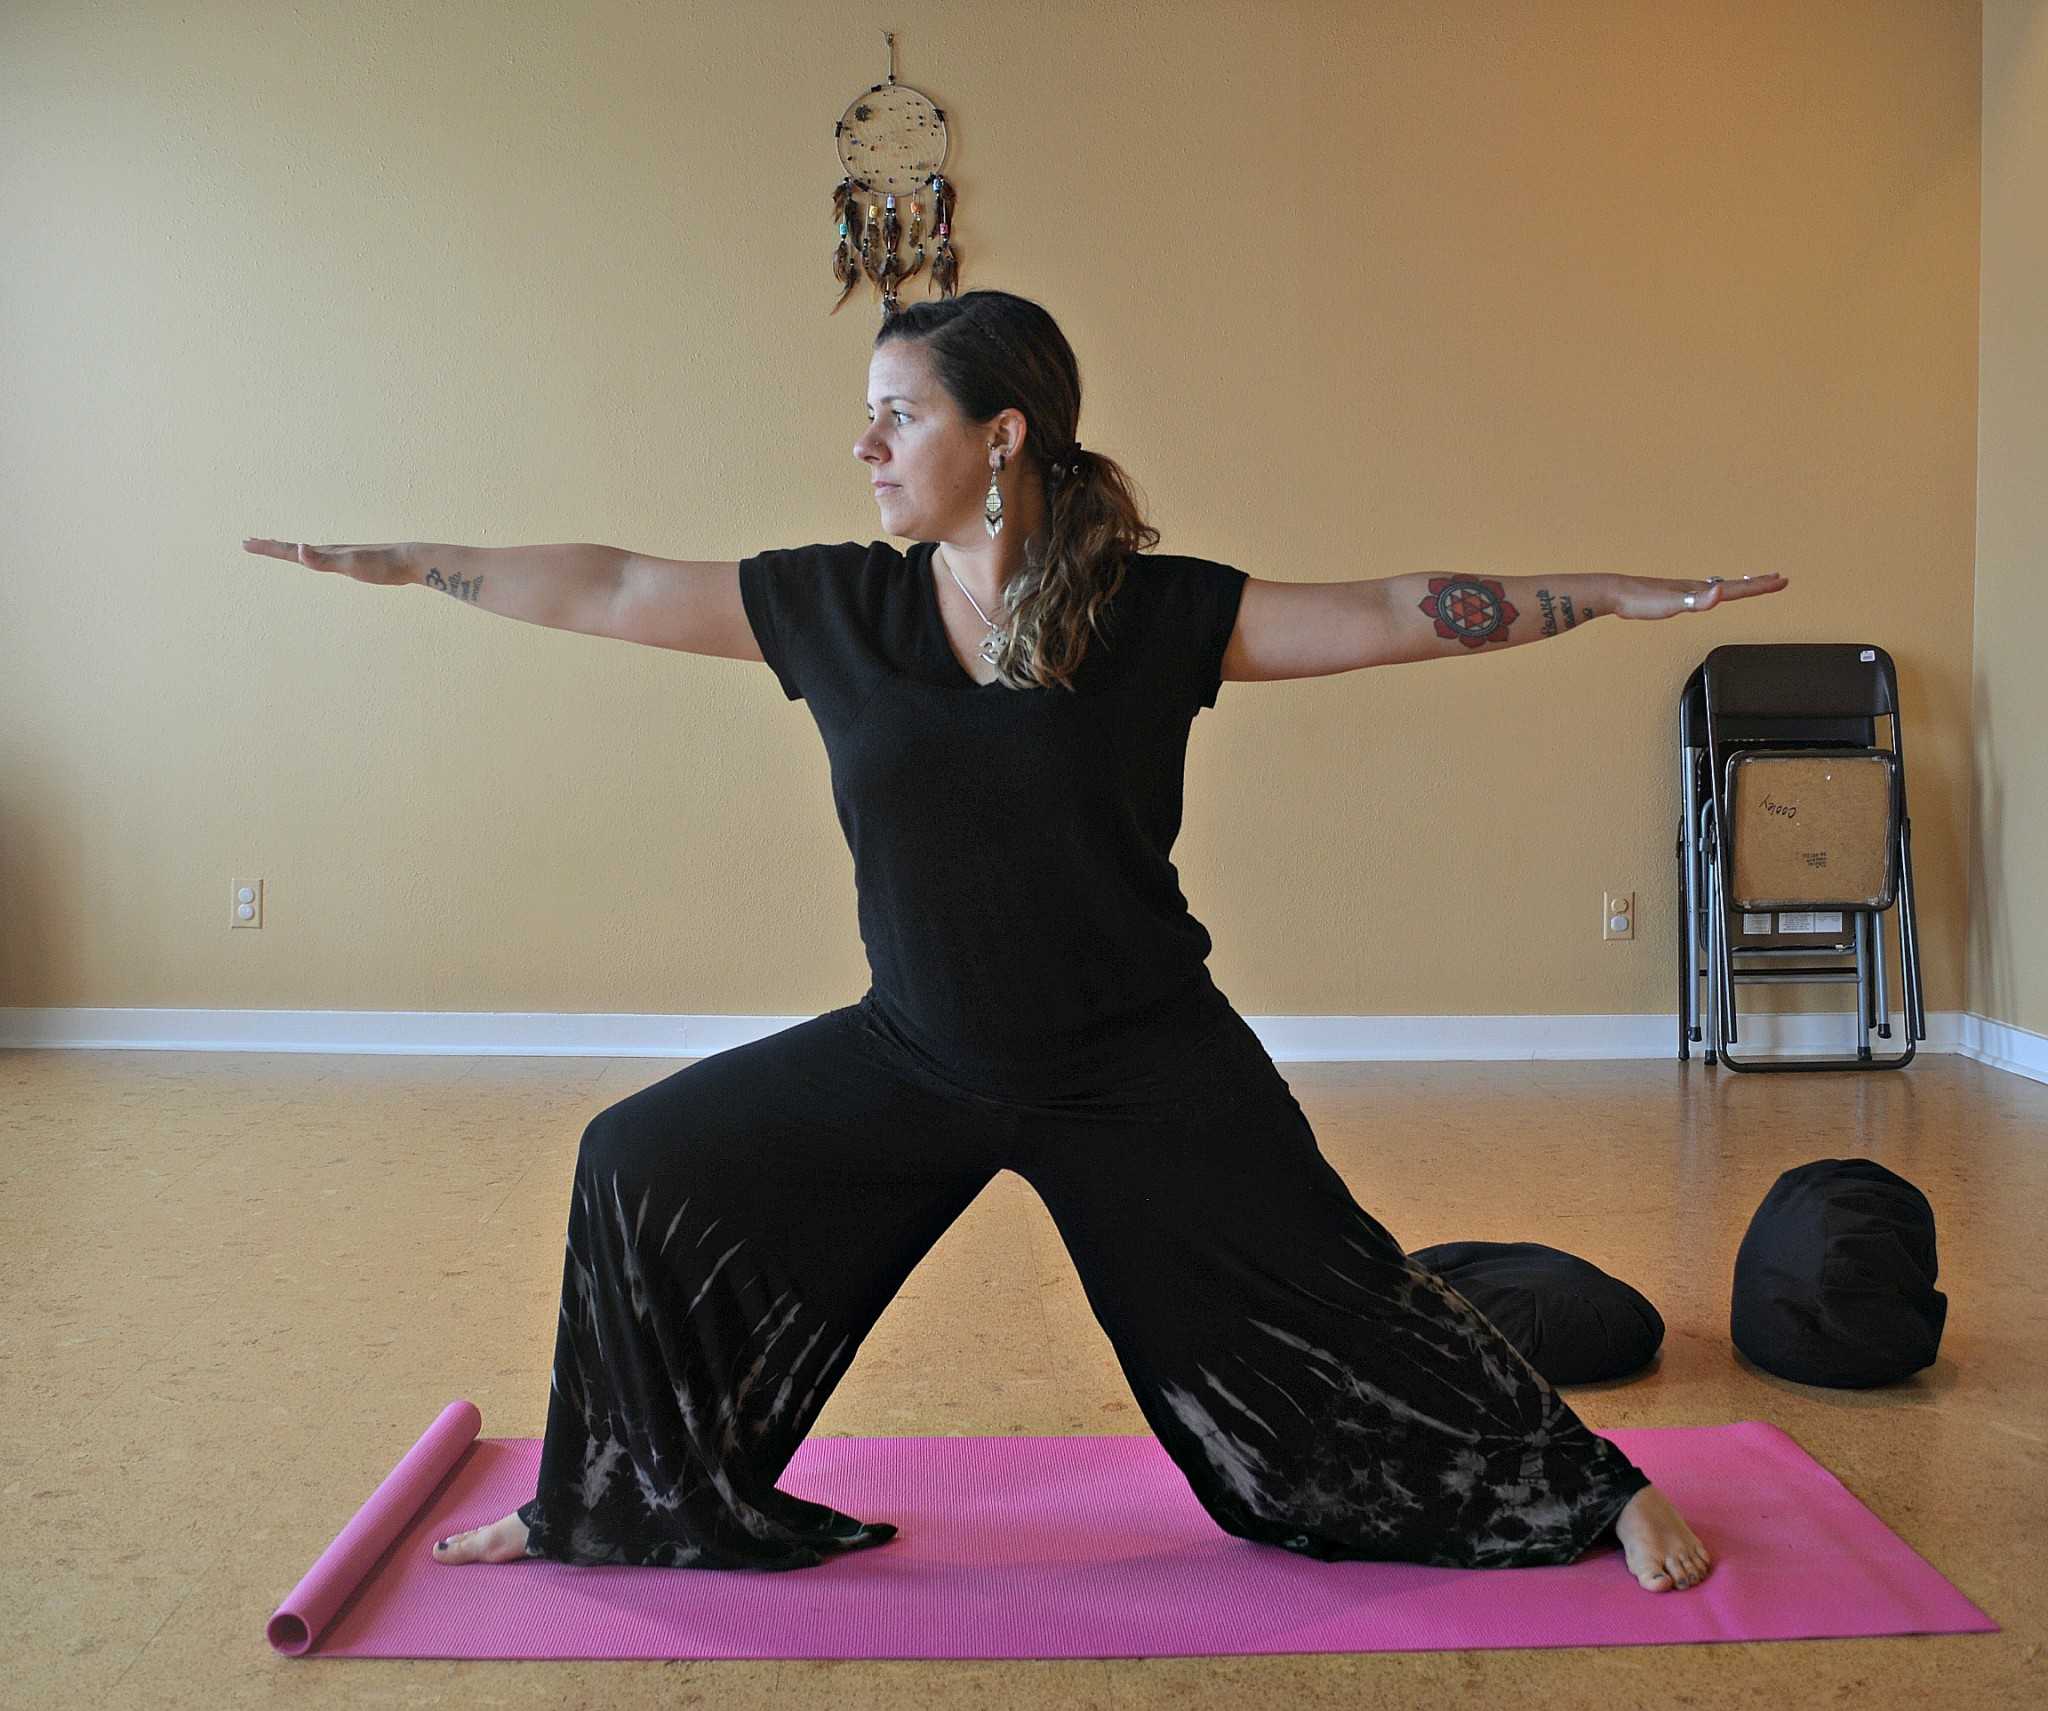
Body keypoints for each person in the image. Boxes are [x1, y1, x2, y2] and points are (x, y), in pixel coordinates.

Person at [246, 289, 1783, 1593]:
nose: (863, 446)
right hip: (912, 1050)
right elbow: (618, 581)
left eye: (896, 414)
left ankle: (1591, 1491)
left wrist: (1599, 595)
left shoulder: (1159, 616)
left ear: (1002, 436)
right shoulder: (838, 607)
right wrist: (412, 566)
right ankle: (614, 1495)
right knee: (640, 1158)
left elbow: (1394, 608)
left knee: (1343, 1298)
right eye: (864, 414)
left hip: (1144, 1064)